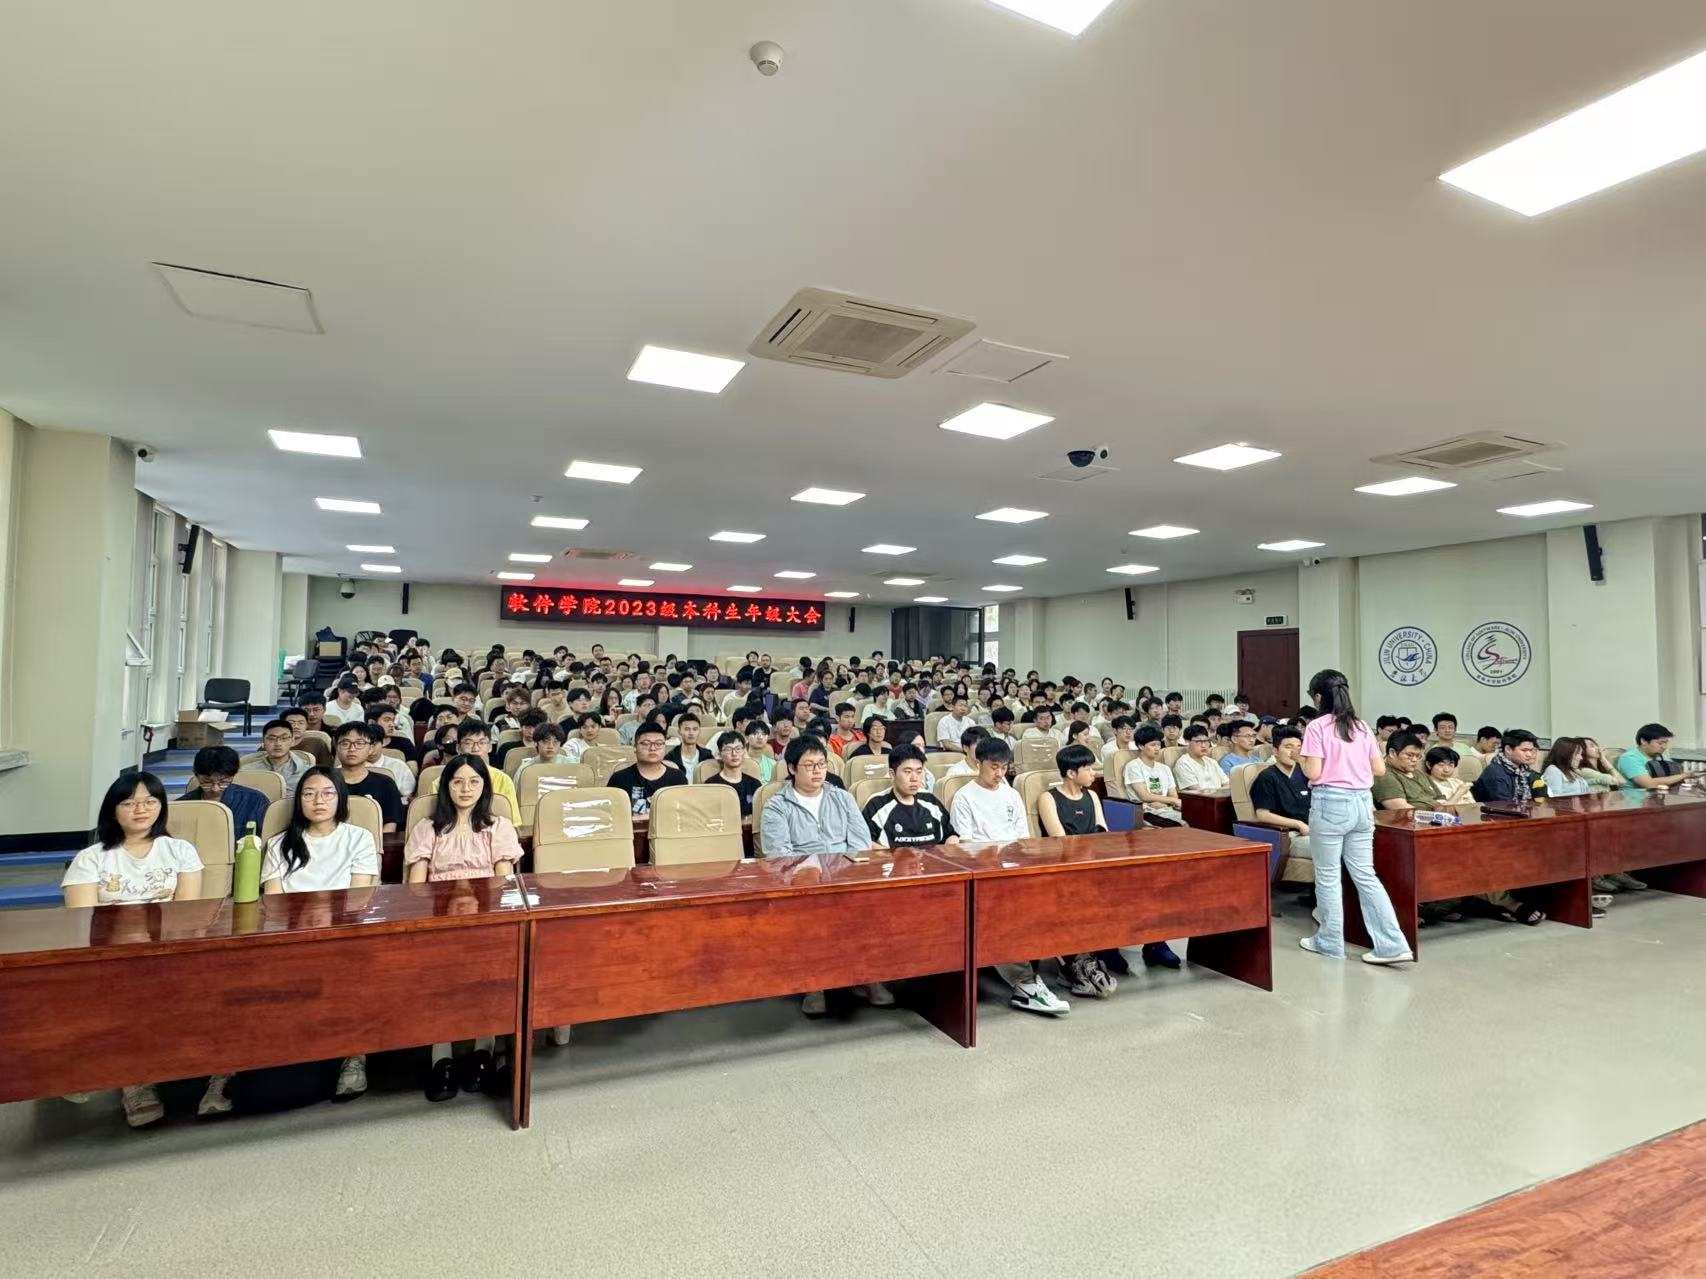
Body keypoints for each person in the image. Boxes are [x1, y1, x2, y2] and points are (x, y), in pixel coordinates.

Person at [60, 774, 226, 1126]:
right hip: (112, 955)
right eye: (129, 803)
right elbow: (85, 923)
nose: (141, 810)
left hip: (167, 950)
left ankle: (209, 1072)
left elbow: (186, 915)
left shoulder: (179, 850)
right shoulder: (91, 858)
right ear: (113, 809)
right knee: (125, 994)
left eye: (150, 802)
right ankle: (136, 1082)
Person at [405, 754, 524, 1101]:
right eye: (457, 782)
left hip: (486, 914)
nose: (465, 789)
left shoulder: (497, 826)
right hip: (439, 916)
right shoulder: (428, 827)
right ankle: (441, 1058)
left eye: (474, 782)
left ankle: (482, 1051)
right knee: (439, 982)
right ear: (446, 787)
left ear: (485, 787)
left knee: (490, 977)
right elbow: (416, 886)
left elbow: (503, 881)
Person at [260, 767, 379, 1100]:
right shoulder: (280, 844)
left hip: (343, 933)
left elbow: (358, 899)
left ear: (340, 799)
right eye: (309, 794)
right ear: (299, 800)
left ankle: (353, 1057)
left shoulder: (358, 838)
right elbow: (275, 903)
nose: (318, 801)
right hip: (292, 937)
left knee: (354, 972)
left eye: (328, 793)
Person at [1297, 669, 1412, 965]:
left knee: (1328, 875)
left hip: (1330, 803)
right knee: (1365, 874)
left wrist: (1301, 758)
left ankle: (1329, 941)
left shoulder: (1317, 726)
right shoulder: (1361, 726)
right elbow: (1380, 769)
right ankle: (1392, 944)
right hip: (1362, 804)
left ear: (1318, 697)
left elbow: (1313, 772)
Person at [950, 737, 1071, 1016]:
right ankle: (1026, 983)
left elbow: (1022, 839)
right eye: (993, 767)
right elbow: (966, 848)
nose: (999, 773)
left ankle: (1072, 964)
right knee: (1001, 916)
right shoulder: (965, 797)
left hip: (1014, 868)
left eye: (1004, 767)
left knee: (1058, 898)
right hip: (983, 872)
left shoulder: (1011, 794)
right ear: (978, 763)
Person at [1038, 743, 1128, 998]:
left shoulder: (1092, 796)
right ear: (1070, 773)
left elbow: (1102, 832)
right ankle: (1079, 957)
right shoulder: (1048, 798)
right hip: (1064, 867)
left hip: (1093, 863)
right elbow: (1060, 840)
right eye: (1087, 768)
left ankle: (1106, 946)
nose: (1093, 773)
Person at [862, 744, 957, 849]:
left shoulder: (930, 801)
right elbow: (864, 841)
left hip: (933, 858)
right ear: (892, 774)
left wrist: (948, 851)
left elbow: (951, 835)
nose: (914, 778)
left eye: (919, 772)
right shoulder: (876, 804)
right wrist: (889, 855)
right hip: (893, 859)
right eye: (908, 772)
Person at [178, 745, 270, 838]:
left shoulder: (255, 801)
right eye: (207, 782)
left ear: (233, 775)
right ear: (196, 775)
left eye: (223, 782)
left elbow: (267, 839)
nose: (215, 789)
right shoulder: (182, 806)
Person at [333, 721, 404, 833]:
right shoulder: (323, 781)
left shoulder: (385, 783)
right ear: (336, 747)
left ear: (370, 748)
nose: (352, 749)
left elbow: (390, 825)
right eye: (345, 743)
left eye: (359, 743)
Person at [607, 723, 685, 816]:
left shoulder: (678, 778)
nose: (652, 748)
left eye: (659, 744)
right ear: (635, 747)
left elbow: (684, 815)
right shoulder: (619, 779)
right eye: (646, 743)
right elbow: (611, 816)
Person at [1616, 723, 1705, 790]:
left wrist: (1692, 779)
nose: (1664, 747)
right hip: (1637, 801)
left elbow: (1674, 778)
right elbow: (1649, 784)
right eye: (1660, 743)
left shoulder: (1661, 756)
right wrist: (1685, 775)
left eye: (1666, 742)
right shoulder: (1629, 758)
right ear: (1643, 741)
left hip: (1662, 798)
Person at [1472, 730, 1549, 804]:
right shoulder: (1495, 773)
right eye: (1524, 750)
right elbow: (1503, 806)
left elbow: (1542, 799)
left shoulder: (1525, 771)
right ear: (1508, 749)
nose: (1529, 754)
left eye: (1531, 750)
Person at [1371, 732, 1439, 811]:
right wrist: (1435, 815)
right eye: (1409, 755)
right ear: (1392, 753)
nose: (1415, 760)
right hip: (1412, 818)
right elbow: (1400, 808)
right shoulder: (1384, 775)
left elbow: (1442, 800)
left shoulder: (1419, 773)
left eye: (1418, 756)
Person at [251, 719, 311, 800]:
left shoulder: (307, 771)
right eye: (272, 739)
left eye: (284, 738)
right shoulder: (248, 771)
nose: (278, 743)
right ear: (263, 742)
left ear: (293, 741)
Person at [708, 732, 761, 816]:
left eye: (738, 749)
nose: (734, 754)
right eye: (728, 749)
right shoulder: (711, 785)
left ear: (744, 752)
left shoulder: (755, 784)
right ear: (720, 754)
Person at [1172, 724, 1225, 792]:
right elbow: (1199, 790)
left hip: (1220, 796)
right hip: (1201, 798)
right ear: (1187, 742)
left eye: (1206, 741)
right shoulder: (1183, 763)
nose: (1203, 745)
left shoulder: (1212, 762)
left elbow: (1227, 783)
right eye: (1198, 742)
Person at [663, 712, 707, 776]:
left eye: (695, 729)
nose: (691, 733)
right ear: (679, 731)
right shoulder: (670, 758)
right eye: (687, 729)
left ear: (699, 731)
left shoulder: (707, 756)